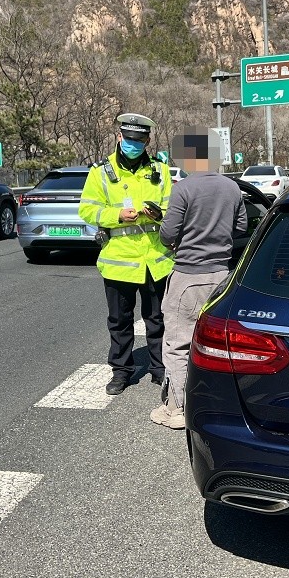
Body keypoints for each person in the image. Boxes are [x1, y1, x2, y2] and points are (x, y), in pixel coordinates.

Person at [150, 127, 248, 430]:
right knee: (215, 345)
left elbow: (168, 235)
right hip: (221, 276)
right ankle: (217, 403)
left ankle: (177, 408)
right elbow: (242, 227)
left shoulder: (183, 188)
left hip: (188, 277)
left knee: (178, 344)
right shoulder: (232, 188)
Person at [78, 113, 174, 395]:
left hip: (155, 261)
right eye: (129, 139)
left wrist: (159, 214)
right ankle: (121, 371)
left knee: (157, 319)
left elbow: (173, 211)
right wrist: (117, 215)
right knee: (119, 321)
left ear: (147, 141)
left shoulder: (161, 171)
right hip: (118, 261)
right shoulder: (100, 172)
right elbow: (87, 210)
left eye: (140, 140)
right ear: (119, 137)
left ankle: (160, 369)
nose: (133, 144)